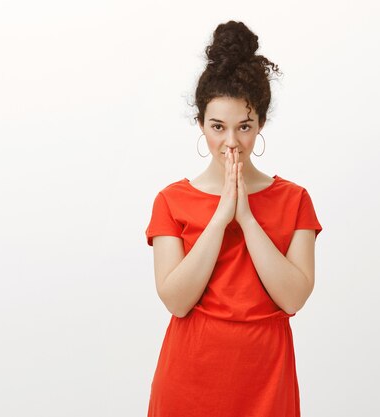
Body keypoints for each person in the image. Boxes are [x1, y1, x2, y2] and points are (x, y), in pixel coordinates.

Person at [144, 21, 323, 417]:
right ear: (201, 126)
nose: (231, 142)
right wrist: (222, 215)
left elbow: (293, 297)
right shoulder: (171, 201)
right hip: (189, 378)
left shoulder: (294, 200)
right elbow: (176, 300)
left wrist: (245, 216)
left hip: (266, 378)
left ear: (260, 124)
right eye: (217, 127)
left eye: (243, 127)